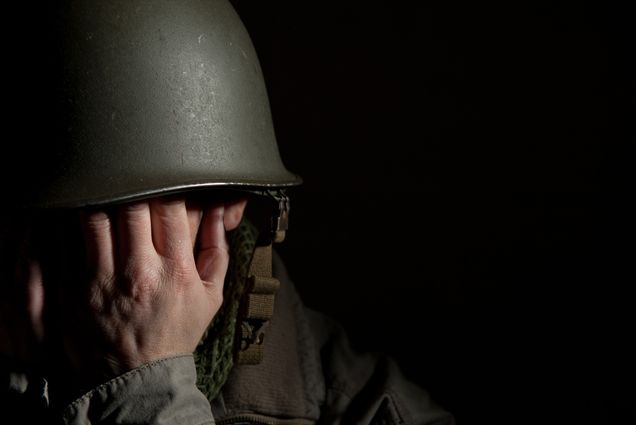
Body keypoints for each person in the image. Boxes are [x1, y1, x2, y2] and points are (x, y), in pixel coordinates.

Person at [0, 1, 454, 424]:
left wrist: (147, 385)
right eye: (58, 220)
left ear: (232, 206)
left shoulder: (369, 408)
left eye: (139, 212)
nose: (119, 265)